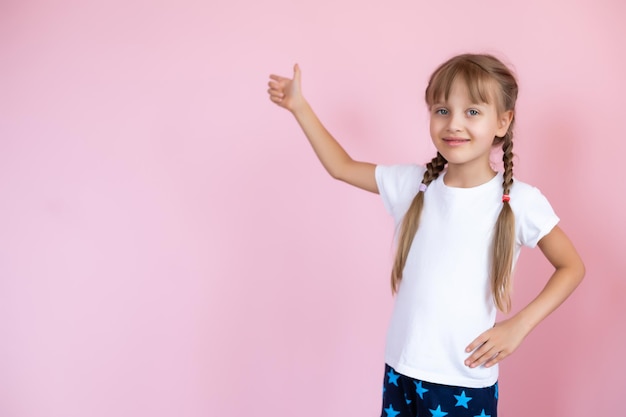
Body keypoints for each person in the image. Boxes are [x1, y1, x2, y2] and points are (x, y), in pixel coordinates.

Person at [267, 54, 585, 417]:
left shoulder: (521, 201)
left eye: (473, 112)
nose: (454, 124)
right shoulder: (413, 185)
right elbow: (342, 167)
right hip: (401, 371)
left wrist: (518, 327)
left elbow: (571, 266)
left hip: (462, 382)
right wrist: (299, 107)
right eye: (442, 110)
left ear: (503, 121)